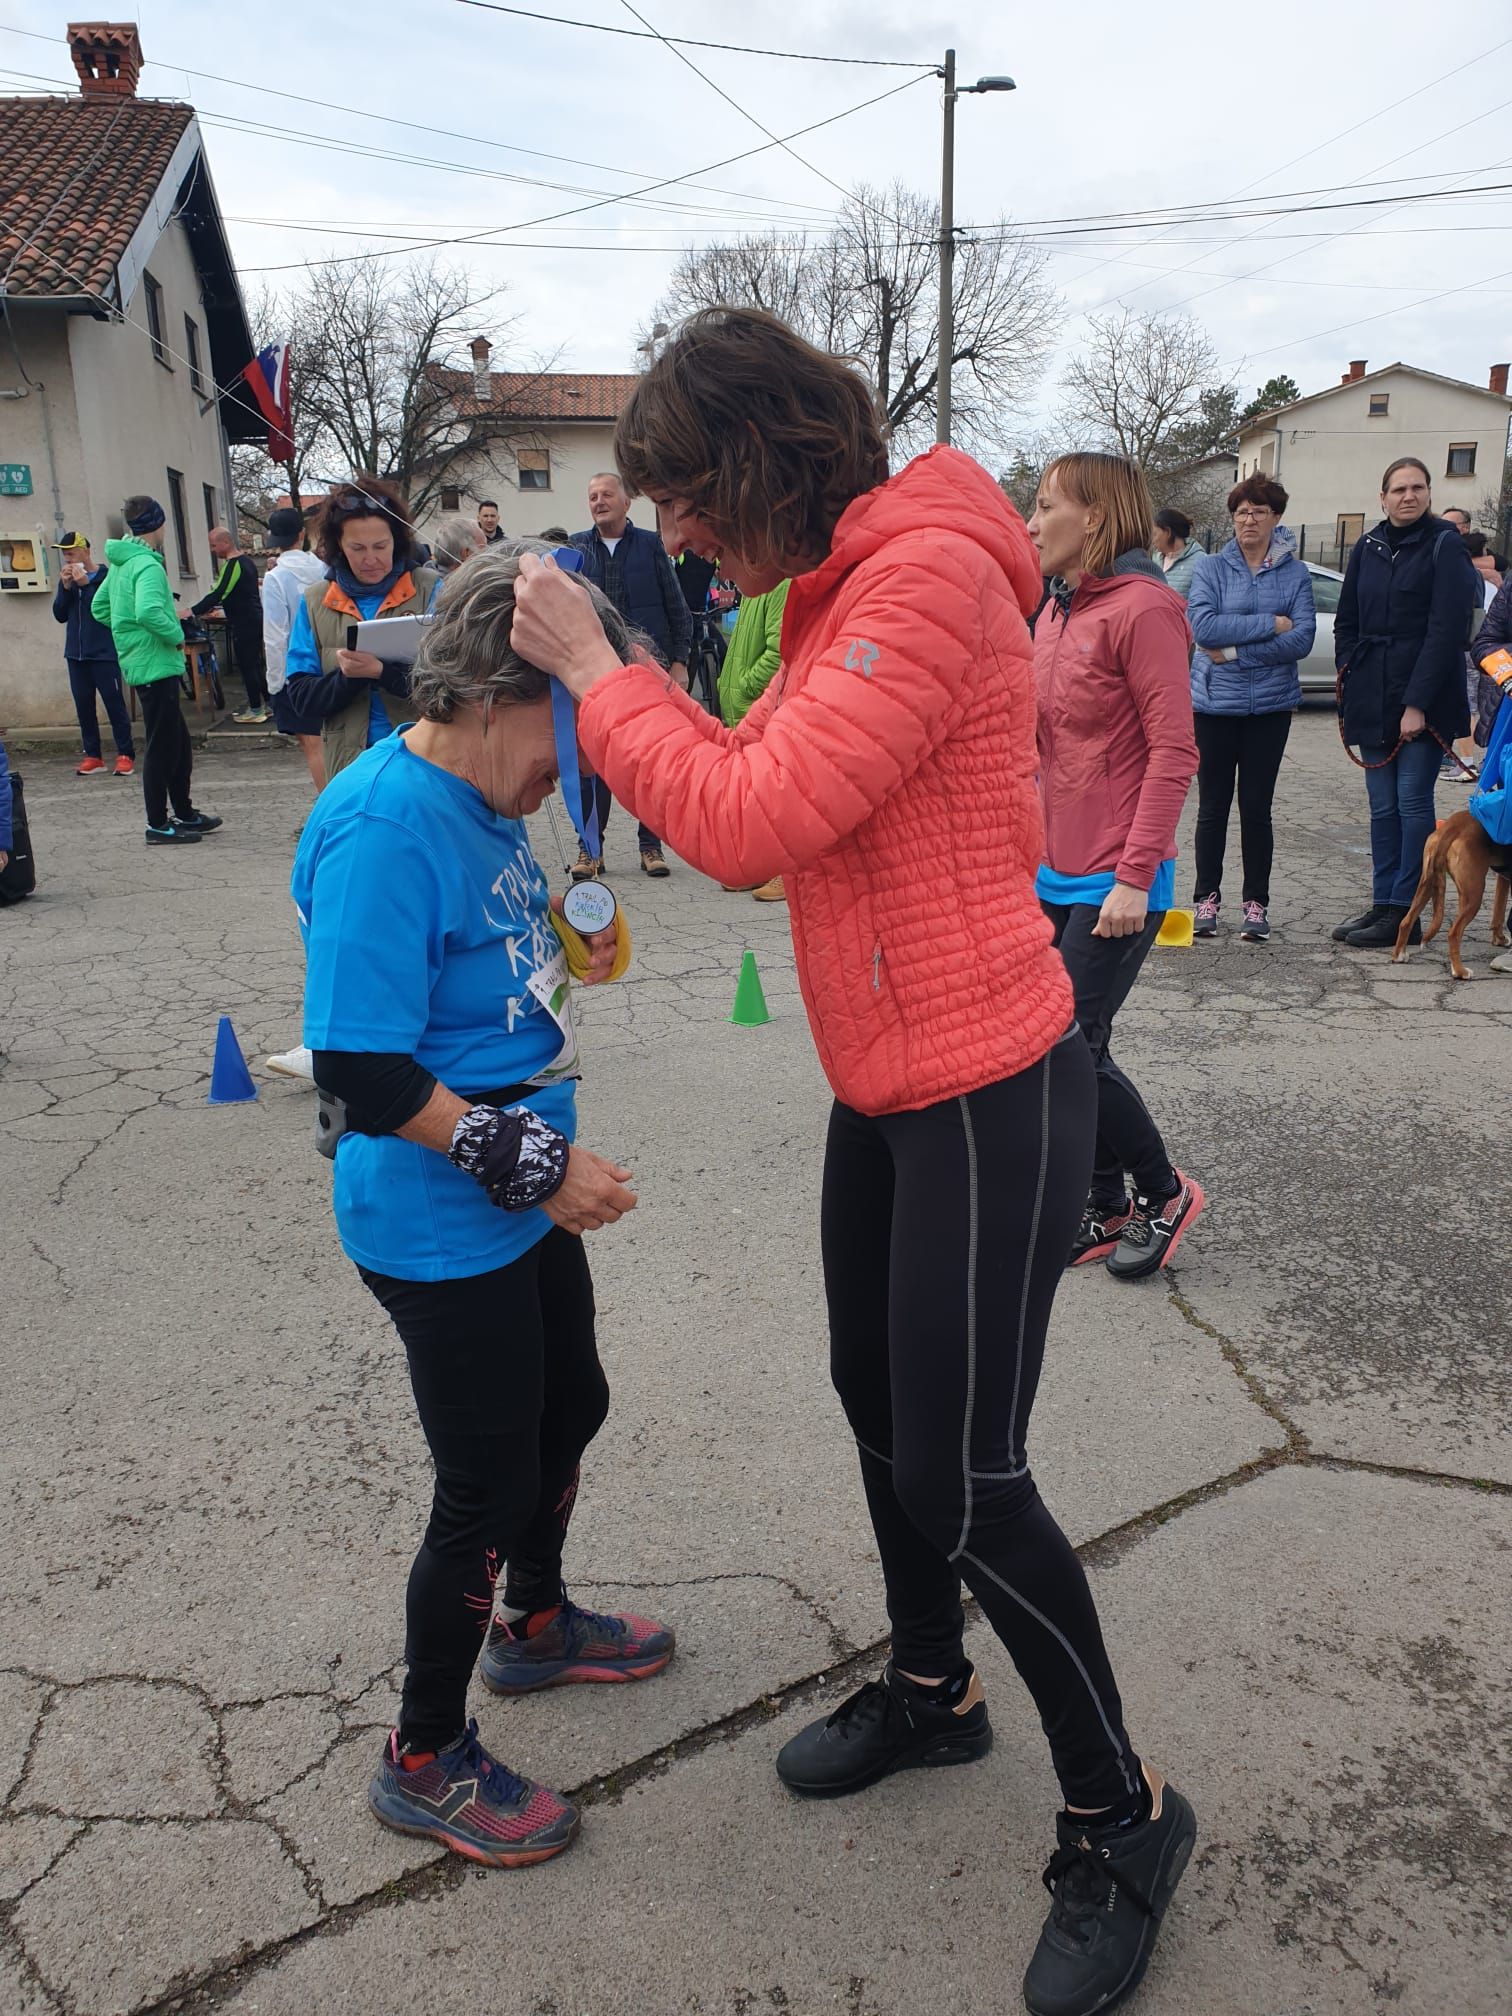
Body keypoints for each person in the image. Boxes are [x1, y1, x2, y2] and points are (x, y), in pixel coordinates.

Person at [512, 308, 1197, 2016]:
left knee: (971, 1478)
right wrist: (652, 688)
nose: (679, 532)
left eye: (689, 497)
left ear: (763, 463)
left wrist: (600, 675)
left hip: (985, 1082)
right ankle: (931, 1687)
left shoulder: (926, 578)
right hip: (888, 1079)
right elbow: (760, 801)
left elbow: (739, 820)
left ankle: (1123, 1815)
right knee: (875, 1405)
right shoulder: (833, 590)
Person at [292, 542, 672, 1868]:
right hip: (437, 1212)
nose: (580, 761)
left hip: (511, 1188)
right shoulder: (384, 825)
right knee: (486, 1482)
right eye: (571, 724)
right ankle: (422, 1755)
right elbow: (358, 1066)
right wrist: (532, 1164)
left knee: (573, 1406)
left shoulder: (492, 798)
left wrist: (572, 932)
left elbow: (493, 960)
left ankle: (535, 1624)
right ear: (498, 695)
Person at [1026, 454, 1204, 1283]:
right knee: (1070, 1047)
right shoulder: (1055, 610)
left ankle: (1164, 1193)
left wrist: (1135, 876)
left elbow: (1174, 752)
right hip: (1052, 869)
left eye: (1045, 506)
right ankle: (1105, 1204)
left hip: (1118, 877)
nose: (1031, 523)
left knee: (1066, 1046)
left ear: (1094, 516)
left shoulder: (1146, 609)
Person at [1332, 456, 1480, 947]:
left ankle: (1407, 911)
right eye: (1399, 489)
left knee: (1412, 803)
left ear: (1429, 493)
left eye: (1417, 487)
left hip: (1425, 695)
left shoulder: (1445, 545)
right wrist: (1349, 670)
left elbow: (1446, 631)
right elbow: (1347, 619)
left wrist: (1416, 703)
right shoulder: (1368, 546)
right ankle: (1383, 904)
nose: (1408, 496)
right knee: (1382, 807)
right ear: (1383, 497)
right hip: (1371, 694)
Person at [1185, 475, 1316, 942]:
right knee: (1212, 807)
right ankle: (1206, 899)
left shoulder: (1296, 574)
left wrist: (1235, 652)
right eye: (1241, 512)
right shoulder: (1211, 569)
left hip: (1270, 709)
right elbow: (1203, 628)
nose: (1249, 520)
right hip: (1214, 707)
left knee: (1256, 808)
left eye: (1259, 511)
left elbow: (1301, 639)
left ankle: (1256, 904)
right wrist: (1271, 624)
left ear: (1276, 517)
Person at [570, 472, 691, 879]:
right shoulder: (576, 550)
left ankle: (651, 845)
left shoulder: (651, 546)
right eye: (592, 496)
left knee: (648, 760)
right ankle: (590, 849)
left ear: (626, 503)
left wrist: (680, 660)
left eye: (606, 494)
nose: (598, 501)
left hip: (645, 671)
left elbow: (677, 609)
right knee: (593, 763)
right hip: (593, 675)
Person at [282, 477, 441, 782]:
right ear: (338, 546)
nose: (370, 559)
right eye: (357, 548)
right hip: (349, 769)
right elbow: (302, 699)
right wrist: (347, 679)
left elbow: (450, 685)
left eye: (380, 546)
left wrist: (382, 672)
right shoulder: (314, 601)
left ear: (397, 541)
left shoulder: (430, 589)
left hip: (421, 763)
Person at [91, 496, 222, 847]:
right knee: (162, 746)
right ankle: (158, 824)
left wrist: (126, 632)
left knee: (178, 743)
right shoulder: (147, 566)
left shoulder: (122, 563)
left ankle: (185, 812)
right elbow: (148, 611)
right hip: (155, 663)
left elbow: (100, 608)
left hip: (143, 660)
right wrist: (175, 635)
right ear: (159, 524)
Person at [714, 579, 791, 904]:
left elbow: (778, 651)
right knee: (753, 795)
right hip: (743, 709)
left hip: (760, 707)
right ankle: (760, 866)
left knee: (774, 794)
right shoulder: (754, 586)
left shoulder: (779, 584)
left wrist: (746, 685)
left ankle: (785, 872)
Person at [51, 531, 135, 776]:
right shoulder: (68, 580)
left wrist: (85, 587)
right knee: (84, 707)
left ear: (86, 552)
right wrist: (66, 588)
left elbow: (102, 611)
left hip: (103, 653)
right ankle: (93, 756)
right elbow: (60, 615)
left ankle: (125, 754)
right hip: (75, 655)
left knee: (114, 705)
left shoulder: (106, 577)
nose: (68, 559)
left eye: (72, 554)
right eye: (65, 555)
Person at [261, 506, 329, 795]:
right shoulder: (324, 571)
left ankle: (329, 805)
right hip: (328, 661)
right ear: (302, 534)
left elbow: (275, 635)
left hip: (296, 668)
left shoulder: (276, 578)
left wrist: (275, 682)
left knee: (312, 744)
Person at [194, 526, 269, 725]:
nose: (212, 550)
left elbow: (218, 592)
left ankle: (256, 709)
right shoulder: (247, 562)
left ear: (226, 543)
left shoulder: (234, 565)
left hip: (245, 621)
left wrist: (192, 611)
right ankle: (269, 704)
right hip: (253, 618)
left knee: (248, 666)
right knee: (255, 664)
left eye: (213, 545)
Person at [1150, 508, 1201, 601]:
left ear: (1168, 532)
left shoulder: (1200, 562)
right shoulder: (1154, 559)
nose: (1152, 540)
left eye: (1154, 534)